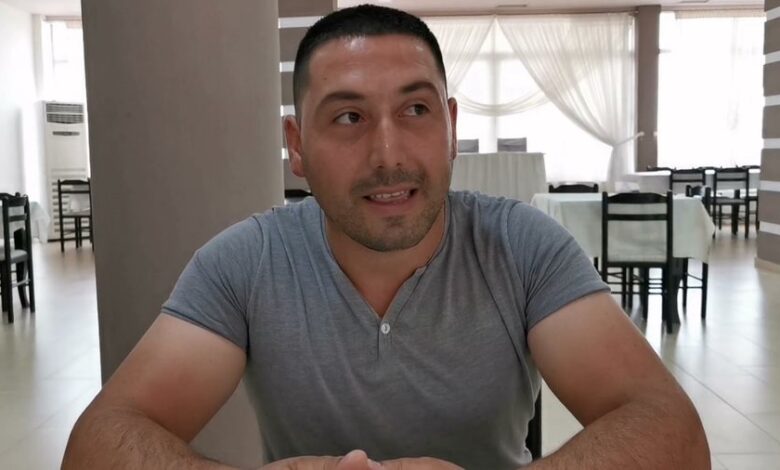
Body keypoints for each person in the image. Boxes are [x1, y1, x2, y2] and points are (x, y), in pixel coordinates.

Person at [63, 5, 709, 469]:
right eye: (349, 117)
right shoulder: (247, 262)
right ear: (296, 146)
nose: (388, 154)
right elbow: (96, 444)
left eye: (416, 110)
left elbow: (674, 436)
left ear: (450, 127)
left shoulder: (522, 247)